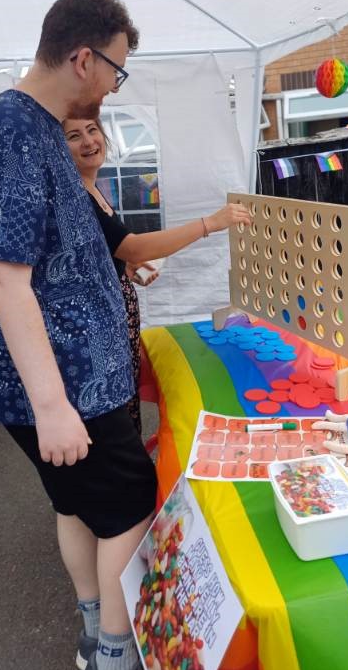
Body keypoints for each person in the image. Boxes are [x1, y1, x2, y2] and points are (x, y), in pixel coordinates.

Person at [0, 0, 209, 670]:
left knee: (79, 506)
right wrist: (51, 407)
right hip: (73, 387)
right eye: (115, 69)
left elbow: (55, 254)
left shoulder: (40, 127)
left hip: (83, 380)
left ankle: (93, 632)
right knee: (129, 507)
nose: (112, 86)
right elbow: (4, 277)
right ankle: (114, 652)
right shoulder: (12, 129)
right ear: (83, 59)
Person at [63, 116, 250, 438]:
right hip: (98, 331)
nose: (89, 141)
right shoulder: (77, 196)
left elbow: (103, 251)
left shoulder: (93, 188)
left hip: (116, 320)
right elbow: (133, 246)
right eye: (74, 136)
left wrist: (122, 268)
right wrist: (209, 224)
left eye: (92, 130)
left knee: (126, 404)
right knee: (113, 417)